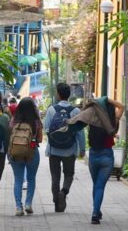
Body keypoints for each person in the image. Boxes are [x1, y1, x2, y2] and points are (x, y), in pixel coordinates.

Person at [45, 83, 86, 212]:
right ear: (69, 95)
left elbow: (47, 129)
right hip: (70, 149)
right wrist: (82, 148)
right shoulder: (75, 111)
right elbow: (80, 132)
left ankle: (56, 202)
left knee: (55, 176)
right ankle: (64, 192)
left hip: (54, 149)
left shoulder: (51, 109)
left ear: (58, 94)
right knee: (69, 174)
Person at [87, 97, 124, 225]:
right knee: (100, 186)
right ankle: (96, 213)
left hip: (93, 155)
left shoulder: (93, 119)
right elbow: (122, 106)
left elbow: (85, 109)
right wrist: (108, 100)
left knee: (95, 185)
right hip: (107, 156)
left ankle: (96, 210)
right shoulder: (113, 121)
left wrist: (97, 102)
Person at [8, 97, 43, 216]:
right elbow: (40, 139)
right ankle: (28, 204)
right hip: (32, 152)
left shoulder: (14, 120)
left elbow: (10, 136)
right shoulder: (36, 121)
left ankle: (18, 207)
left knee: (18, 180)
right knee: (31, 178)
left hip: (16, 152)